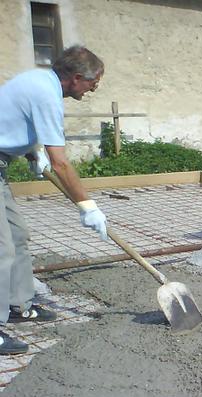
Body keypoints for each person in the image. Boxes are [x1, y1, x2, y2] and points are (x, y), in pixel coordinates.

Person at [0, 45, 108, 355]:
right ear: (76, 78)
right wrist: (87, 206)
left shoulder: (39, 81)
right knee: (2, 248)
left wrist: (31, 151)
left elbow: (12, 118)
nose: (93, 90)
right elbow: (61, 163)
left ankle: (18, 305)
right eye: (93, 83)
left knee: (17, 236)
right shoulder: (47, 94)